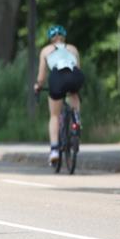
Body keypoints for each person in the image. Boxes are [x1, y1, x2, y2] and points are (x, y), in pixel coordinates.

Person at [33, 24, 83, 165]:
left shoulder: (45, 51)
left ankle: (54, 150)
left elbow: (41, 77)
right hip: (75, 76)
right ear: (63, 37)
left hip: (58, 77)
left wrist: (38, 86)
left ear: (50, 39)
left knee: (54, 115)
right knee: (74, 93)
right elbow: (77, 68)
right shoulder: (72, 48)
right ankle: (77, 119)